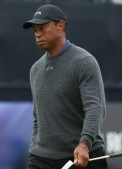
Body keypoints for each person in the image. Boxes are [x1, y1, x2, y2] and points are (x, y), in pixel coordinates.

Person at [23, 4, 106, 169]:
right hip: (41, 159)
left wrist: (85, 144)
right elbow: (37, 117)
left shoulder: (84, 62)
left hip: (82, 156)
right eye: (34, 30)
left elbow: (95, 108)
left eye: (42, 28)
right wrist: (34, 148)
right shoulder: (35, 70)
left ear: (60, 26)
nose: (37, 34)